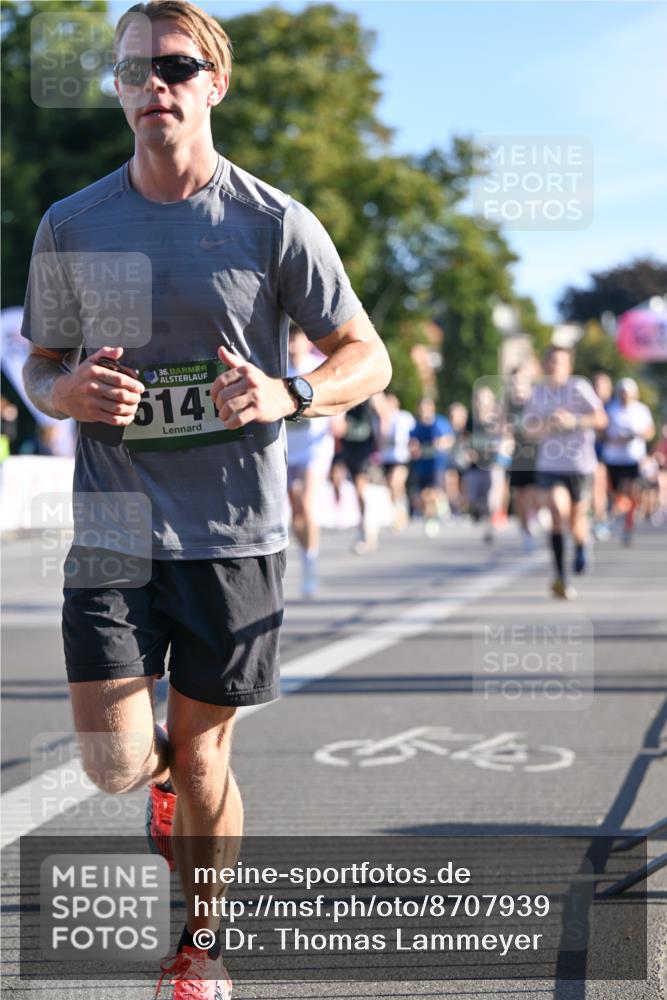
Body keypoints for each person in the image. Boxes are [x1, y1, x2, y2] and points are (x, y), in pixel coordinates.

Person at [20, 2, 391, 996]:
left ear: (214, 83)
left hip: (235, 535)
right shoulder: (75, 222)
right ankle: (161, 781)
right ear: (118, 88)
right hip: (113, 527)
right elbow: (37, 364)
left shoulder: (272, 222)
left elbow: (368, 353)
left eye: (177, 66)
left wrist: (289, 390)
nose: (156, 85)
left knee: (206, 748)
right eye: (136, 69)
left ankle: (202, 944)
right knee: (113, 761)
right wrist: (65, 392)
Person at [524, 345, 607, 599]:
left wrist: (575, 421)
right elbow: (528, 430)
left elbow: (601, 420)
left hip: (579, 465)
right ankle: (560, 577)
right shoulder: (538, 392)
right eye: (550, 361)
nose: (553, 366)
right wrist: (547, 424)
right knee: (557, 512)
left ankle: (582, 543)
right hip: (550, 465)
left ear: (568, 366)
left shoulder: (579, 388)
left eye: (558, 362)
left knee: (576, 520)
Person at [601, 378, 655, 545]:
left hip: (633, 458)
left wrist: (637, 434)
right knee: (615, 495)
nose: (625, 396)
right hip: (613, 458)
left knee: (633, 493)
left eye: (628, 393)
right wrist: (615, 438)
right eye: (622, 393)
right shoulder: (611, 409)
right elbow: (601, 433)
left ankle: (628, 526)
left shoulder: (641, 410)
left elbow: (650, 432)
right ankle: (613, 517)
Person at [336, 398, 380, 553]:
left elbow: (383, 413)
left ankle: (367, 530)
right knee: (353, 488)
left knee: (361, 489)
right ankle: (364, 527)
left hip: (364, 446)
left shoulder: (370, 388)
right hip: (348, 445)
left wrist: (379, 444)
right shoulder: (340, 386)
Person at [462, 384, 503, 544]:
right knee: (473, 498)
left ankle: (489, 529)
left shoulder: (496, 420)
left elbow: (503, 440)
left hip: (491, 465)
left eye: (484, 400)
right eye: (478, 400)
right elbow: (464, 440)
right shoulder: (471, 420)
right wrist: (468, 451)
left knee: (491, 500)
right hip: (473, 466)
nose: (481, 403)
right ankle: (477, 511)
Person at [505, 366, 540, 551]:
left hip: (537, 453)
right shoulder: (508, 403)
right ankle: (525, 531)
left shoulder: (537, 400)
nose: (517, 383)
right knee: (518, 495)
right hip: (517, 455)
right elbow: (503, 426)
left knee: (534, 492)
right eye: (514, 379)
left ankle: (534, 517)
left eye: (520, 379)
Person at [409, 397, 453, 536]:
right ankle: (440, 508)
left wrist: (440, 443)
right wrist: (414, 448)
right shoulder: (417, 427)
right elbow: (412, 444)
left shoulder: (440, 423)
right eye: (422, 409)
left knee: (432, 493)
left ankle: (431, 519)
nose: (424, 411)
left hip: (437, 464)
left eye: (426, 408)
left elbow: (449, 439)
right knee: (424, 495)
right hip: (422, 465)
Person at [377, 392, 415, 531]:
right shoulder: (380, 419)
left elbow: (413, 434)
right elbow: (379, 439)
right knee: (392, 488)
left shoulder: (404, 417)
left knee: (395, 483)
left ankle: (401, 512)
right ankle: (399, 513)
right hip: (386, 457)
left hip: (401, 456)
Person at [591, 370, 614, 540]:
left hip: (616, 456)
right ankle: (599, 520)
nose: (600, 389)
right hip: (594, 454)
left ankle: (603, 517)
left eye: (603, 385)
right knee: (596, 488)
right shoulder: (588, 405)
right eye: (597, 385)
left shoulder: (614, 406)